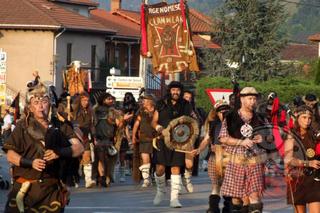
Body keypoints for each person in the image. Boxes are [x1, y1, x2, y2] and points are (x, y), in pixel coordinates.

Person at [2, 75, 84, 212]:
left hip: (51, 190)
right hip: (25, 190)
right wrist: (30, 163)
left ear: (50, 104)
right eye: (36, 103)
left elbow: (79, 147)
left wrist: (59, 152)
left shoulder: (61, 125)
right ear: (30, 107)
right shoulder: (22, 126)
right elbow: (10, 155)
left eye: (44, 102)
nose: (40, 107)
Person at [219, 87, 266, 213]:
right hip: (236, 159)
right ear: (242, 99)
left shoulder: (260, 118)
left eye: (255, 99)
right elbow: (223, 138)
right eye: (250, 99)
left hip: (255, 159)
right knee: (236, 198)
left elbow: (270, 137)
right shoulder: (230, 117)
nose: (253, 102)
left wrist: (264, 138)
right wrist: (241, 142)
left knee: (255, 195)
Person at [152, 81, 194, 208]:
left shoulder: (186, 105)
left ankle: (174, 199)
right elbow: (153, 121)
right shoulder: (161, 104)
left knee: (176, 168)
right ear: (169, 91)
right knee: (160, 169)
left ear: (181, 91)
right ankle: (160, 191)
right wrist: (159, 127)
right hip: (162, 140)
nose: (175, 92)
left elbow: (190, 121)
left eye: (178, 90)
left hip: (179, 141)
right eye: (173, 90)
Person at [192, 100, 231, 213]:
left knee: (229, 185)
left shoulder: (235, 123)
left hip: (231, 158)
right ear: (216, 112)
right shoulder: (212, 124)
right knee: (216, 184)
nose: (224, 112)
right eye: (221, 110)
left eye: (226, 110)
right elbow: (206, 139)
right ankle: (213, 209)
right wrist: (199, 149)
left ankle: (228, 208)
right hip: (215, 158)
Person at [284, 105, 320, 213]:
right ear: (297, 118)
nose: (307, 121)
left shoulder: (315, 134)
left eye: (309, 118)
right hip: (297, 179)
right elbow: (288, 159)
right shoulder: (291, 136)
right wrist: (308, 163)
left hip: (314, 179)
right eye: (304, 117)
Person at [72, 92, 96, 188]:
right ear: (80, 101)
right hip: (75, 137)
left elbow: (92, 125)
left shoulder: (90, 111)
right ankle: (75, 179)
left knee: (87, 157)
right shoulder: (74, 110)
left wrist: (94, 137)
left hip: (86, 137)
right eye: (84, 100)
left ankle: (88, 180)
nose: (86, 102)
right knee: (76, 160)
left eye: (87, 100)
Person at [132, 94, 156, 187]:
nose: (143, 102)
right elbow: (136, 124)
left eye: (145, 100)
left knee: (155, 159)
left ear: (150, 101)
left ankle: (155, 177)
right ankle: (146, 179)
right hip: (144, 138)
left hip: (155, 138)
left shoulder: (157, 111)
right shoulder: (141, 111)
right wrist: (134, 135)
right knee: (145, 158)